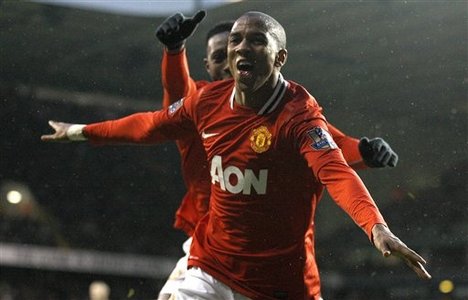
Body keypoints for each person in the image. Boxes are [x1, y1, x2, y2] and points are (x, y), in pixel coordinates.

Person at [42, 11, 430, 300]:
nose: (243, 47)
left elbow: (334, 168)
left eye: (257, 40)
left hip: (283, 282)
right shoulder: (206, 102)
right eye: (236, 41)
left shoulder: (298, 115)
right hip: (213, 264)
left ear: (280, 58)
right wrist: (79, 132)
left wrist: (375, 225)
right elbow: (150, 124)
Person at [155, 11, 398, 300]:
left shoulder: (286, 110)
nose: (229, 63)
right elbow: (175, 98)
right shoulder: (202, 104)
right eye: (219, 57)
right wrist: (174, 52)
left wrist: (366, 152)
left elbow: (331, 149)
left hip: (274, 257)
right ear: (207, 65)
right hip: (214, 252)